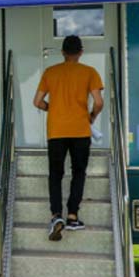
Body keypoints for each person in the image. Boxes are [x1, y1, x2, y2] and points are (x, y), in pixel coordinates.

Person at [32, 34, 104, 241]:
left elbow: (37, 102)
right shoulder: (90, 72)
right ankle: (73, 215)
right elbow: (98, 102)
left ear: (63, 52)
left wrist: (52, 108)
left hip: (56, 131)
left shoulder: (50, 72)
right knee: (78, 172)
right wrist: (91, 116)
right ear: (81, 52)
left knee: (55, 174)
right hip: (81, 130)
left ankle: (56, 215)